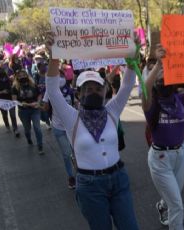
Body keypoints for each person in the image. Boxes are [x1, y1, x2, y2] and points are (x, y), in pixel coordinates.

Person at [45, 35, 139, 230]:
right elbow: (53, 91)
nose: (93, 92)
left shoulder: (112, 110)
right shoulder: (72, 117)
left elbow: (128, 84)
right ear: (78, 94)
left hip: (119, 179)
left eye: (97, 88)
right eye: (87, 89)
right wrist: (54, 56)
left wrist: (133, 53)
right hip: (90, 186)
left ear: (105, 91)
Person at [142, 44, 184, 229]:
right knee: (177, 204)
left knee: (173, 195)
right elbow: (145, 87)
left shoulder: (181, 99)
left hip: (181, 154)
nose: (162, 82)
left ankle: (162, 204)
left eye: (166, 78)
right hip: (160, 159)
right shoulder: (150, 103)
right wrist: (159, 64)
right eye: (159, 80)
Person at [42, 73, 76, 189]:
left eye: (62, 76)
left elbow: (76, 103)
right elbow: (45, 107)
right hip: (59, 128)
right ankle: (71, 177)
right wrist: (40, 104)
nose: (60, 79)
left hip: (73, 126)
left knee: (77, 152)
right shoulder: (50, 91)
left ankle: (81, 173)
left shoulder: (70, 90)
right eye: (57, 77)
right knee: (67, 154)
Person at [11, 70, 44, 154]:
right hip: (23, 111)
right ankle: (29, 138)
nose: (22, 77)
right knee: (27, 129)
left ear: (27, 75)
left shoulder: (33, 84)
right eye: (20, 76)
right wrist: (21, 103)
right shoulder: (15, 87)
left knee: (37, 128)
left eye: (23, 75)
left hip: (35, 109)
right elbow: (14, 100)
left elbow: (39, 94)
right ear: (17, 77)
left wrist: (38, 102)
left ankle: (40, 146)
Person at [0, 68, 20, 137]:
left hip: (10, 99)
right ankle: (7, 126)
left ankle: (15, 129)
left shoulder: (10, 80)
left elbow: (16, 86)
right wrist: (2, 91)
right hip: (1, 101)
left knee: (13, 115)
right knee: (4, 115)